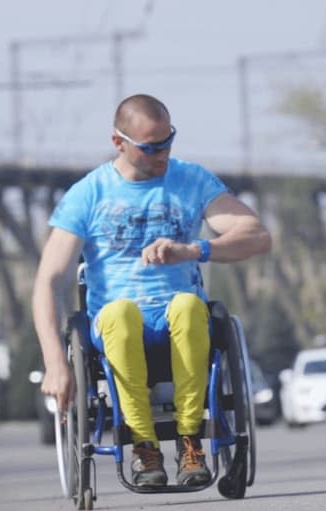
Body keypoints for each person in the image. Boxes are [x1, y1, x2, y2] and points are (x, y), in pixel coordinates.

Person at [32, 94, 272, 487]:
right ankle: (144, 446)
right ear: (119, 142)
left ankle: (190, 439)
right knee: (121, 314)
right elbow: (48, 280)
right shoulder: (88, 194)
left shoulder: (190, 181)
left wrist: (195, 250)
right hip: (114, 322)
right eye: (150, 147)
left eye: (168, 142)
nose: (162, 154)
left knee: (188, 306)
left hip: (177, 315)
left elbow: (258, 236)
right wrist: (55, 361)